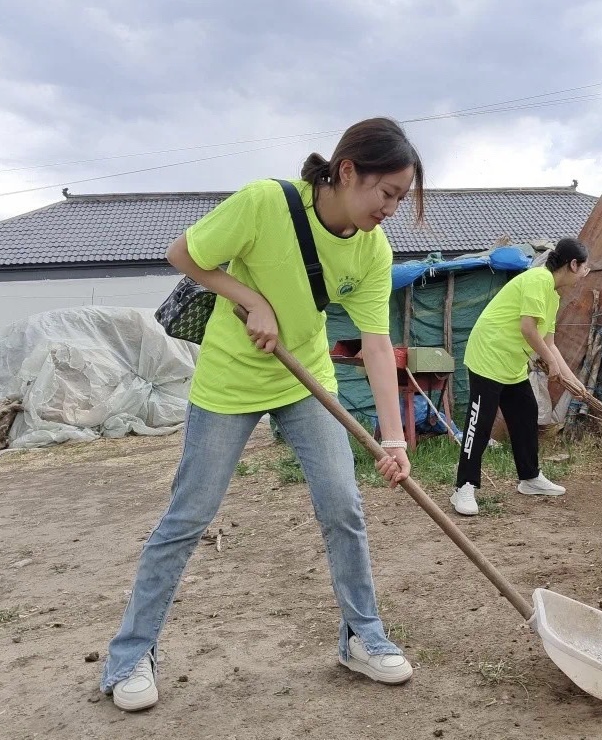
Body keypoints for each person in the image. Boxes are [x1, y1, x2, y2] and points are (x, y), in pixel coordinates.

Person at [101, 118, 424, 711]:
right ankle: (129, 657)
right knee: (188, 517)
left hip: (308, 385)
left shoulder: (374, 248)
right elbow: (184, 254)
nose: (393, 209)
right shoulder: (263, 203)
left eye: (402, 198)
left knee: (343, 509)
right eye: (389, 193)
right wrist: (251, 299)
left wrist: (395, 440)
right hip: (231, 380)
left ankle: (362, 638)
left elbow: (378, 344)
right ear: (348, 170)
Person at [450, 238, 590, 516]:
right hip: (488, 355)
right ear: (573, 265)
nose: (587, 272)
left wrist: (573, 381)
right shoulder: (538, 279)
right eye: (585, 267)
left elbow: (549, 343)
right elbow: (528, 328)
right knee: (480, 423)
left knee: (526, 413)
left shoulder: (552, 294)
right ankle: (463, 487)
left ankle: (530, 478)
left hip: (511, 363)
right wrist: (550, 363)